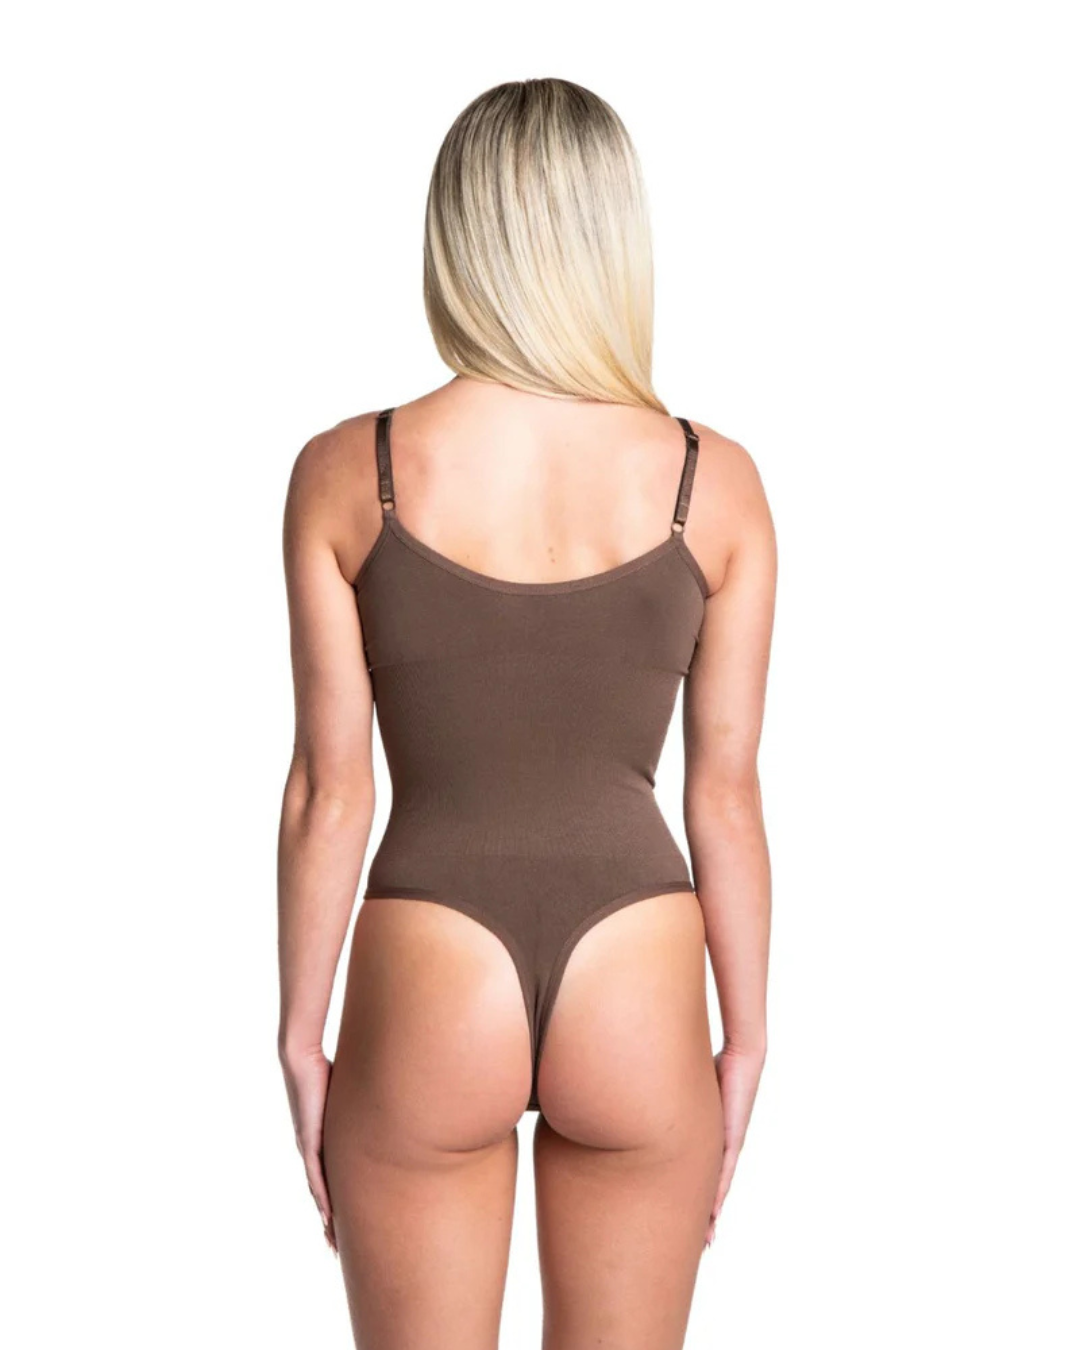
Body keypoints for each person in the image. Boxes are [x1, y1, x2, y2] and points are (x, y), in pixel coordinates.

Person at [277, 77, 776, 1350]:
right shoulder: (712, 484)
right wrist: (745, 1039)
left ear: (457, 240)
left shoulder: (349, 473)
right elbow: (724, 796)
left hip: (428, 964)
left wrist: (300, 1034)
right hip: (641, 973)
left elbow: (330, 792)